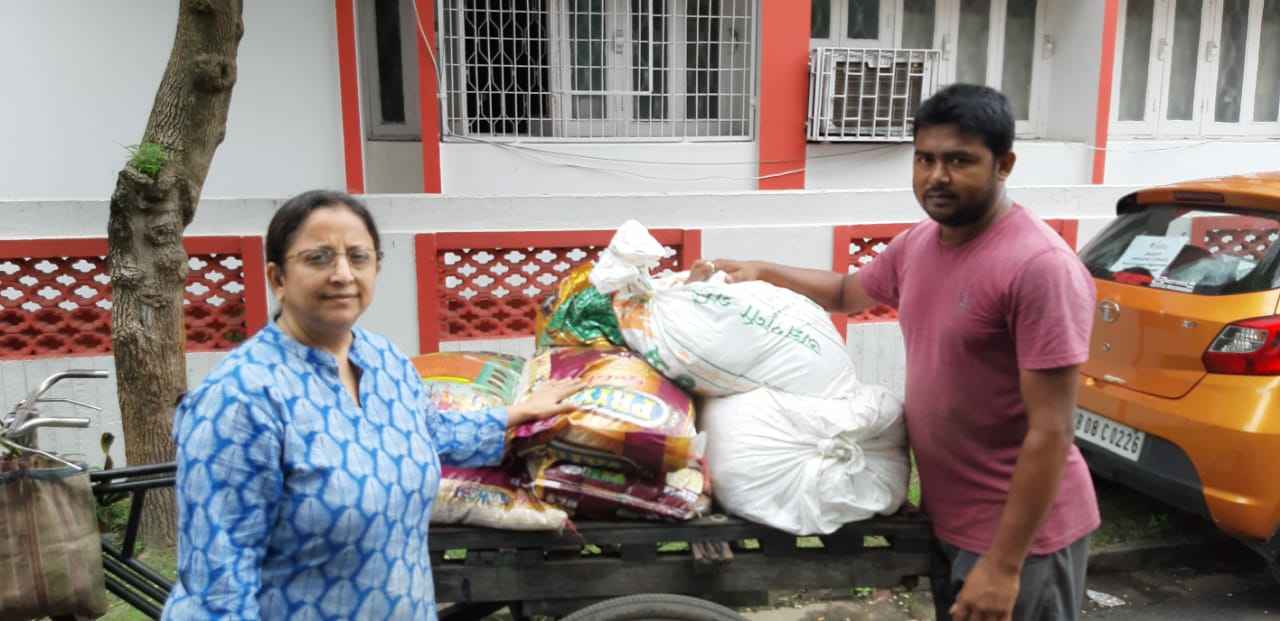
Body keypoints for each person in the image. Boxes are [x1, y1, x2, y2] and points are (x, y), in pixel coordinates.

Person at [694, 84, 1098, 621]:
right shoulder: (921, 243)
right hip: (950, 519)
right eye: (924, 158)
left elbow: (1052, 430)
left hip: (1022, 540)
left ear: (1004, 165)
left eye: (960, 161)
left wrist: (1003, 565)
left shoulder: (1039, 267)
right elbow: (845, 291)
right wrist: (763, 270)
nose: (937, 176)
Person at [162, 189, 583, 620]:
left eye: (358, 257)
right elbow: (218, 587)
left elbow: (430, 433)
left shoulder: (386, 363)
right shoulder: (241, 399)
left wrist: (520, 414)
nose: (342, 274)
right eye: (318, 258)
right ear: (278, 278)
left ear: (376, 267)